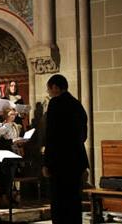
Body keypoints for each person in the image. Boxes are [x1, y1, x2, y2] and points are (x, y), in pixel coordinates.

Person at [43, 74, 88, 224]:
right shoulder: (77, 104)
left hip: (59, 162)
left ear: (55, 87)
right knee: (74, 201)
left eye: (49, 89)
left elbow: (52, 136)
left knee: (59, 202)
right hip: (77, 160)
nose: (49, 93)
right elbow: (83, 135)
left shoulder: (55, 103)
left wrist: (47, 163)